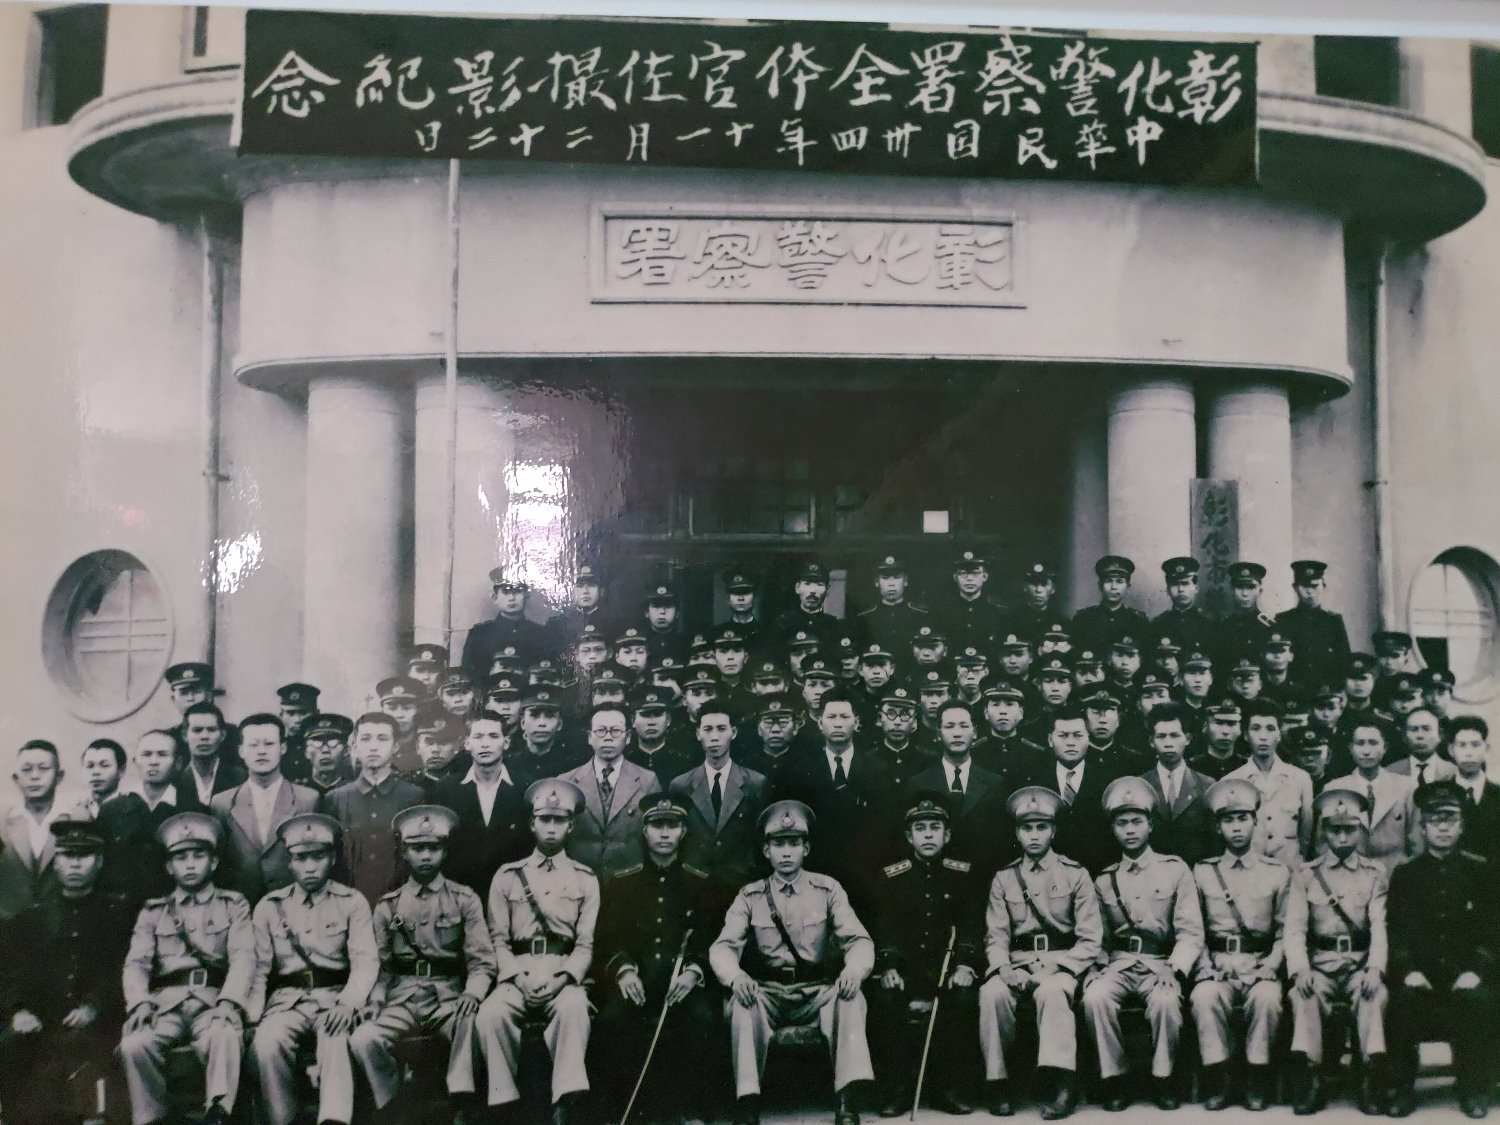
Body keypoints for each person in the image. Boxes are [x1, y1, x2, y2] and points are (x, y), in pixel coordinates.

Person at [708, 799, 875, 1125]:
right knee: (742, 1004)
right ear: (766, 851)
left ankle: (846, 1100)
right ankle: (748, 1102)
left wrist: (854, 970)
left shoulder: (827, 889)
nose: (786, 852)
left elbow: (858, 940)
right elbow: (723, 947)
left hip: (816, 990)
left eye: (794, 843)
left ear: (806, 848)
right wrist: (736, 977)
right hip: (769, 991)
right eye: (778, 844)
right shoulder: (750, 896)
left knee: (852, 998)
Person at [354, 804, 497, 1122]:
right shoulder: (388, 907)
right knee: (363, 1039)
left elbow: (482, 960)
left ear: (445, 852)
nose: (425, 856)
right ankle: (391, 1103)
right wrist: (376, 999)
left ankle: (462, 1100)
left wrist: (473, 993)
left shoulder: (464, 899)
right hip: (401, 999)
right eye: (417, 849)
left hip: (448, 997)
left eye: (433, 848)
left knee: (470, 1022)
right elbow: (382, 967)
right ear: (405, 853)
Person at [592, 792, 723, 1124]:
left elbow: (711, 937)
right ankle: (623, 1108)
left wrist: (694, 971)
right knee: (611, 1021)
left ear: (683, 832)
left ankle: (688, 1107)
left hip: (682, 983)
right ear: (645, 831)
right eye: (657, 825)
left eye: (673, 825)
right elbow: (607, 938)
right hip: (638, 980)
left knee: (702, 1019)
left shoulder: (700, 882)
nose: (665, 833)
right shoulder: (623, 883)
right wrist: (623, 971)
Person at [118, 811, 254, 1125]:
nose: (190, 864)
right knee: (135, 1044)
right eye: (181, 858)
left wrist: (229, 1002)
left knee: (223, 1034)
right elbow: (136, 963)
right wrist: (139, 1002)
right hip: (166, 1004)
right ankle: (151, 1117)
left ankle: (218, 1112)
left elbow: (244, 956)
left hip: (212, 1001)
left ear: (214, 863)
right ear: (169, 866)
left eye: (198, 856)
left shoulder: (233, 905)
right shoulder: (153, 911)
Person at [978, 786, 1103, 1120]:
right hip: (1017, 964)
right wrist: (1002, 968)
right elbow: (996, 935)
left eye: (1041, 827)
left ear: (1053, 831)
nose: (1034, 835)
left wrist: (1059, 967)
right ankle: (998, 1081)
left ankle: (1062, 1082)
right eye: (1026, 828)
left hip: (1062, 963)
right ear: (1017, 833)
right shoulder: (1004, 878)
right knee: (991, 993)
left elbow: (1091, 939)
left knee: (1052, 991)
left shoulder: (1075, 874)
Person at [0, 813, 133, 1125]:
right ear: (55, 863)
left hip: (101, 1020)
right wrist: (18, 1011)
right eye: (67, 856)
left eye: (84, 856)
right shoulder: (31, 919)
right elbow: (11, 975)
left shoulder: (119, 915)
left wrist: (94, 1005)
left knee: (87, 1051)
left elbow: (125, 969)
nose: (75, 865)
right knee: (12, 1046)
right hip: (45, 1019)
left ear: (99, 862)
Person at [477, 779, 597, 1123]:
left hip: (561, 970)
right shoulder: (507, 876)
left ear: (570, 825)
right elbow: (496, 938)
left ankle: (565, 1102)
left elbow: (585, 943)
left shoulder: (585, 879)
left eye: (559, 821)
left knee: (574, 1006)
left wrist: (564, 979)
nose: (551, 828)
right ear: (533, 824)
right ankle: (505, 1101)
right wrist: (516, 978)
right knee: (490, 1015)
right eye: (545, 820)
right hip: (518, 973)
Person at [247, 813, 379, 1125]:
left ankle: (333, 1120)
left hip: (334, 997)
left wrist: (348, 1004)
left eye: (317, 857)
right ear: (289, 862)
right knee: (266, 1042)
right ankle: (283, 1119)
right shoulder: (269, 906)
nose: (309, 866)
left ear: (332, 858)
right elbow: (259, 970)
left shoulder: (352, 902)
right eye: (300, 858)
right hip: (287, 1002)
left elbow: (365, 961)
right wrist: (252, 1017)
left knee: (335, 1036)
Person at [1083, 777, 1204, 1111]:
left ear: (1150, 825)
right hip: (1118, 963)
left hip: (1160, 962)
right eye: (1122, 823)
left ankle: (1162, 1077)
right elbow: (1099, 936)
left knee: (1166, 1002)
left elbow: (1191, 931)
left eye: (1137, 822)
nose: (1130, 830)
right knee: (1095, 997)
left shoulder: (1175, 870)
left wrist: (1175, 966)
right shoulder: (1104, 878)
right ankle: (1115, 1077)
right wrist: (1097, 964)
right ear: (1113, 830)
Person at [1387, 779, 1499, 1118]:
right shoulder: (1406, 875)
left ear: (1462, 825)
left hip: (1466, 973)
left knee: (1477, 1000)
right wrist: (1408, 970)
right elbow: (1396, 929)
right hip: (1421, 974)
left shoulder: (1482, 871)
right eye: (1435, 821)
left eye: (1450, 820)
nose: (1443, 828)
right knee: (1402, 1002)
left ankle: (1474, 1088)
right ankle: (1401, 1088)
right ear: (1422, 828)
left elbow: (1495, 928)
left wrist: (1476, 970)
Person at [868, 790, 981, 1117]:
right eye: (920, 828)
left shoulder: (962, 874)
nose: (928, 834)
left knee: (961, 998)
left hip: (947, 967)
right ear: (909, 836)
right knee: (886, 1001)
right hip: (907, 969)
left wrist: (966, 965)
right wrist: (889, 965)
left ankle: (948, 1088)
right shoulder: (893, 876)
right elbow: (884, 927)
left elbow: (971, 925)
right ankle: (899, 1089)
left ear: (947, 834)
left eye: (935, 828)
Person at [1283, 786, 1390, 1116]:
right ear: (1324, 831)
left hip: (1359, 964)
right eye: (1335, 829)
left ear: (1360, 830)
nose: (1342, 836)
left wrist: (1375, 968)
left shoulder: (1375, 873)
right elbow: (1295, 928)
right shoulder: (1307, 874)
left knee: (1375, 995)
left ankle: (1368, 1074)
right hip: (1321, 966)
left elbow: (1379, 926)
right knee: (1304, 996)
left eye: (1349, 829)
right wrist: (1300, 968)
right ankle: (1311, 1076)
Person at [1190, 778, 1292, 1111]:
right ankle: (1219, 1076)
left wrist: (1271, 966)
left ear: (1255, 822)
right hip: (1218, 962)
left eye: (1242, 819)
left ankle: (1256, 1075)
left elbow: (1284, 931)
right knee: (1204, 997)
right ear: (1218, 827)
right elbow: (1196, 929)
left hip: (1259, 962)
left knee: (1266, 998)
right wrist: (1205, 967)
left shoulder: (1276, 873)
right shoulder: (1203, 873)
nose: (1236, 827)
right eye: (1228, 820)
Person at [209, 713, 319, 903]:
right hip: (240, 908)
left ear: (282, 748)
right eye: (253, 745)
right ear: (241, 751)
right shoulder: (222, 803)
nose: (261, 751)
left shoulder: (307, 799)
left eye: (269, 744)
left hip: (295, 905)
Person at [319, 712, 427, 903]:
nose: (373, 747)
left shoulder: (414, 796)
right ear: (355, 746)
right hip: (349, 906)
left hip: (401, 905)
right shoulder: (335, 799)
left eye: (382, 739)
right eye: (366, 739)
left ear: (395, 746)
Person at [97, 729, 205, 907]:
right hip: (121, 911)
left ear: (178, 762)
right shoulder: (111, 810)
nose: (153, 762)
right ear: (135, 761)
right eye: (146, 755)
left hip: (176, 908)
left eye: (162, 755)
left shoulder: (193, 810)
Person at [1010, 707, 1125, 874]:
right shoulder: (1032, 781)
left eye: (1078, 736)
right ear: (1050, 740)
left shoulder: (1108, 781)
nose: (1071, 742)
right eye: (1063, 736)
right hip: (1044, 876)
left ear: (1088, 738)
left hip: (1096, 874)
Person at [669, 702, 772, 887]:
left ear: (733, 732)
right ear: (698, 733)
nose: (714, 737)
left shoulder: (755, 783)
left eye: (721, 729)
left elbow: (761, 841)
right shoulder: (681, 785)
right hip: (694, 884)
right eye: (707, 729)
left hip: (741, 884)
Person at [557, 703, 663, 879]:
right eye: (600, 731)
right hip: (577, 882)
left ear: (628, 737)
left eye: (615, 731)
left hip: (629, 883)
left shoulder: (647, 780)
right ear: (590, 737)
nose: (608, 738)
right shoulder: (567, 781)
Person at [432, 711, 531, 894]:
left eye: (493, 736)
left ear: (506, 742)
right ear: (467, 743)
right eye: (478, 736)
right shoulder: (446, 789)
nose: (485, 744)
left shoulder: (525, 787)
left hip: (513, 894)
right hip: (460, 894)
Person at [905, 700, 1007, 873]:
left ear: (974, 732)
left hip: (983, 875)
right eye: (950, 726)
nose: (957, 733)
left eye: (963, 726)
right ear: (938, 733)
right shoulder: (918, 783)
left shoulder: (994, 783)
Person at [1223, 699, 1314, 864]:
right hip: (1251, 875)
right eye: (1256, 729)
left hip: (1290, 872)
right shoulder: (1231, 781)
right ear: (1245, 734)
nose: (1263, 737)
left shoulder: (1300, 779)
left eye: (1270, 729)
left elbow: (1306, 834)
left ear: (1279, 734)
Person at [1327, 719, 1420, 876]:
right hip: (1350, 877)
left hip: (1396, 875)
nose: (1366, 751)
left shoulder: (1406, 787)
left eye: (1373, 743)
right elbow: (1324, 844)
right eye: (1360, 743)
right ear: (1350, 748)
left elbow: (1416, 840)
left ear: (1385, 747)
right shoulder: (1335, 788)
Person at [1139, 702, 1218, 865]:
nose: (1168, 743)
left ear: (1187, 739)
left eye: (1175, 735)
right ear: (1151, 741)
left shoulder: (1207, 785)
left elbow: (1214, 842)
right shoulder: (1140, 785)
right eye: (1161, 736)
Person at [0, 738, 65, 918]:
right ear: (15, 778)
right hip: (8, 929)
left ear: (59, 776)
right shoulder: (2, 821)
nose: (35, 776)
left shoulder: (76, 818)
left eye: (43, 768)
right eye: (26, 769)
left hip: (60, 927)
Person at [462, 568, 553, 685]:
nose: (511, 598)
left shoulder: (541, 634)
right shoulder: (479, 634)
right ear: (495, 598)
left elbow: (547, 674)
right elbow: (470, 677)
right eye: (505, 592)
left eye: (517, 591)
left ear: (527, 595)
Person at [1275, 561, 1352, 690]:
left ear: (1323, 586)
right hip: (1293, 692)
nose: (1310, 591)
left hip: (1325, 693)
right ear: (1295, 588)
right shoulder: (1283, 620)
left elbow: (1344, 661)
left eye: (1314, 586)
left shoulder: (1333, 622)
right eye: (1304, 586)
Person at [1071, 556, 1150, 655]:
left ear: (1128, 586)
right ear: (1100, 585)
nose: (1114, 587)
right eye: (1108, 581)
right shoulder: (1083, 619)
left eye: (1119, 581)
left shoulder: (1139, 621)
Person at [1449, 715, 1500, 860]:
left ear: (1486, 748)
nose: (1469, 753)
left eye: (1475, 745)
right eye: (1462, 745)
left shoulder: (1497, 794)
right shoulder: (1441, 793)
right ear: (1451, 750)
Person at [857, 554, 928, 655]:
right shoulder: (865, 617)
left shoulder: (922, 615)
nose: (891, 583)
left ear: (905, 581)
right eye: (885, 578)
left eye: (896, 577)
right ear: (877, 582)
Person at [177, 703, 244, 806]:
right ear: (185, 736)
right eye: (197, 730)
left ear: (222, 735)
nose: (204, 736)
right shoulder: (175, 780)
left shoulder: (241, 778)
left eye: (211, 730)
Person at [1151, 557, 1215, 659]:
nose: (1180, 590)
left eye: (1185, 584)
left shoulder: (1209, 624)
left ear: (1196, 588)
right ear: (1168, 590)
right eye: (1175, 584)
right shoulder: (1158, 625)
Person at [1388, 706, 1457, 784]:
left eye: (1426, 729)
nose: (1420, 735)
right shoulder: (1390, 772)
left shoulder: (1454, 772)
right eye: (1414, 729)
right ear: (1404, 736)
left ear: (1440, 735)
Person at [1190, 698, 1249, 780]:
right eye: (1219, 723)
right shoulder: (1192, 767)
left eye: (1232, 724)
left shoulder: (1247, 767)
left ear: (1240, 730)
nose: (1225, 731)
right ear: (1205, 727)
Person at [303, 713, 356, 797]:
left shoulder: (355, 793)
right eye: (317, 743)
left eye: (332, 742)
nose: (325, 750)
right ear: (306, 752)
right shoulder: (297, 794)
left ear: (346, 751)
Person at [79, 737, 125, 813]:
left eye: (105, 765)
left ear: (121, 770)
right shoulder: (75, 807)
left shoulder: (132, 807)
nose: (96, 772)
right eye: (90, 766)